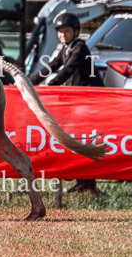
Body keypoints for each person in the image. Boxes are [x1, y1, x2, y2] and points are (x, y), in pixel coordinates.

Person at [30, 11, 102, 194]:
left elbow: (68, 69)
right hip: (77, 101)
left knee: (83, 139)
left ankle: (87, 181)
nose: (62, 35)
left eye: (67, 31)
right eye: (60, 31)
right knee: (77, 138)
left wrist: (51, 85)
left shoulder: (79, 47)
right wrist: (28, 81)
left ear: (76, 31)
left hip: (89, 102)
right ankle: (85, 181)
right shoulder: (66, 48)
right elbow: (52, 66)